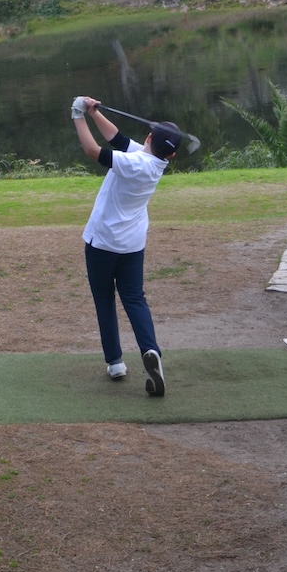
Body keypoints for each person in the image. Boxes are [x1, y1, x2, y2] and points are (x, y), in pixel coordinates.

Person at [71, 96, 181, 396]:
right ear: (171, 154)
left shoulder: (134, 162)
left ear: (148, 138)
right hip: (132, 245)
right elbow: (117, 139)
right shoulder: (154, 162)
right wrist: (93, 113)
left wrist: (77, 115)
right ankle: (150, 350)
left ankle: (115, 362)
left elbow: (92, 150)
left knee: (104, 299)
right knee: (134, 299)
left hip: (103, 242)